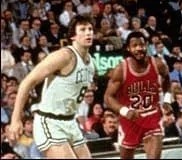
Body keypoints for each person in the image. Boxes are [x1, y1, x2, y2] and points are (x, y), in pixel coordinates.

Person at [7, 14, 96, 158]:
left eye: (90, 29)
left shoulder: (90, 62)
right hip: (50, 121)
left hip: (70, 121)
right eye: (83, 29)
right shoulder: (64, 56)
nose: (88, 33)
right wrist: (15, 119)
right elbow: (27, 82)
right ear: (73, 36)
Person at [104, 31, 171, 159]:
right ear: (128, 49)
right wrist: (125, 111)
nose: (139, 48)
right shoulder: (121, 69)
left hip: (152, 116)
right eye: (134, 46)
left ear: (147, 46)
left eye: (141, 45)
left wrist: (166, 99)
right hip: (130, 120)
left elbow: (167, 79)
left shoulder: (158, 64)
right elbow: (108, 97)